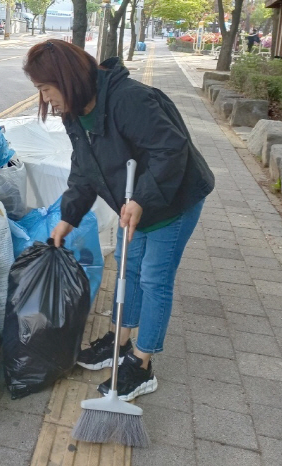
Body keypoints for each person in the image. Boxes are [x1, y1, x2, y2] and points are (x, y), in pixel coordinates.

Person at [23, 40, 215, 401]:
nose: (45, 98)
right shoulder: (75, 112)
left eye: (46, 88)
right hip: (140, 203)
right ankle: (120, 338)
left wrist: (141, 198)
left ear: (67, 78)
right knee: (132, 267)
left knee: (155, 277)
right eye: (40, 90)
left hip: (174, 198)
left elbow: (170, 149)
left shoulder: (129, 99)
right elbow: (84, 169)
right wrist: (69, 217)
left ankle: (142, 364)